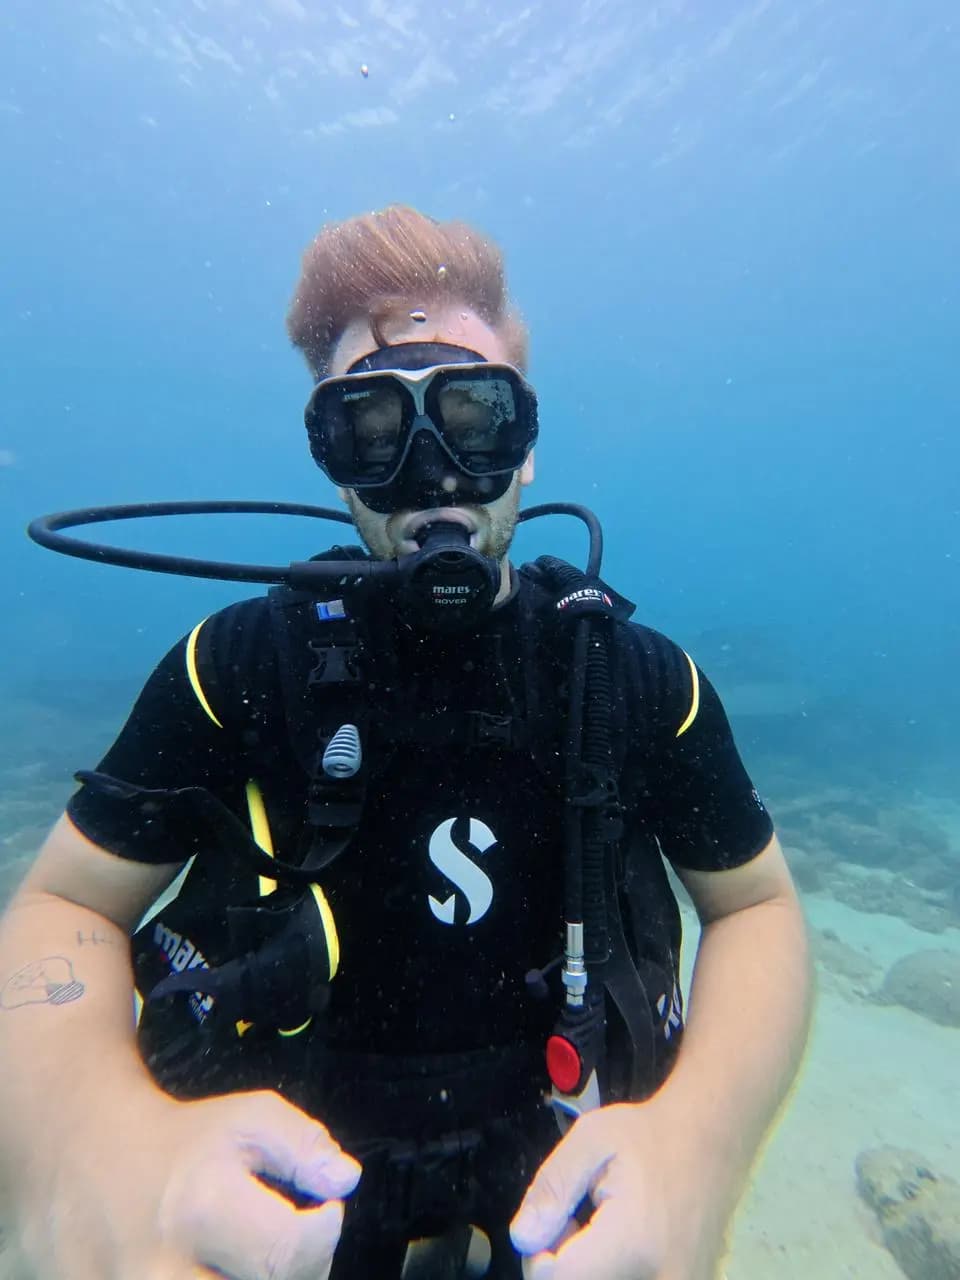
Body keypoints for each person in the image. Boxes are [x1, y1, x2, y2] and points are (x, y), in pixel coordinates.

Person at [0, 206, 812, 1280]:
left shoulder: (631, 677)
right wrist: (83, 1140)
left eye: (473, 415)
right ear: (337, 466)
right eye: (377, 428)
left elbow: (755, 906)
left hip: (572, 1189)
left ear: (524, 451)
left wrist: (702, 1145)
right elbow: (63, 905)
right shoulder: (239, 666)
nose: (434, 475)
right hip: (278, 1195)